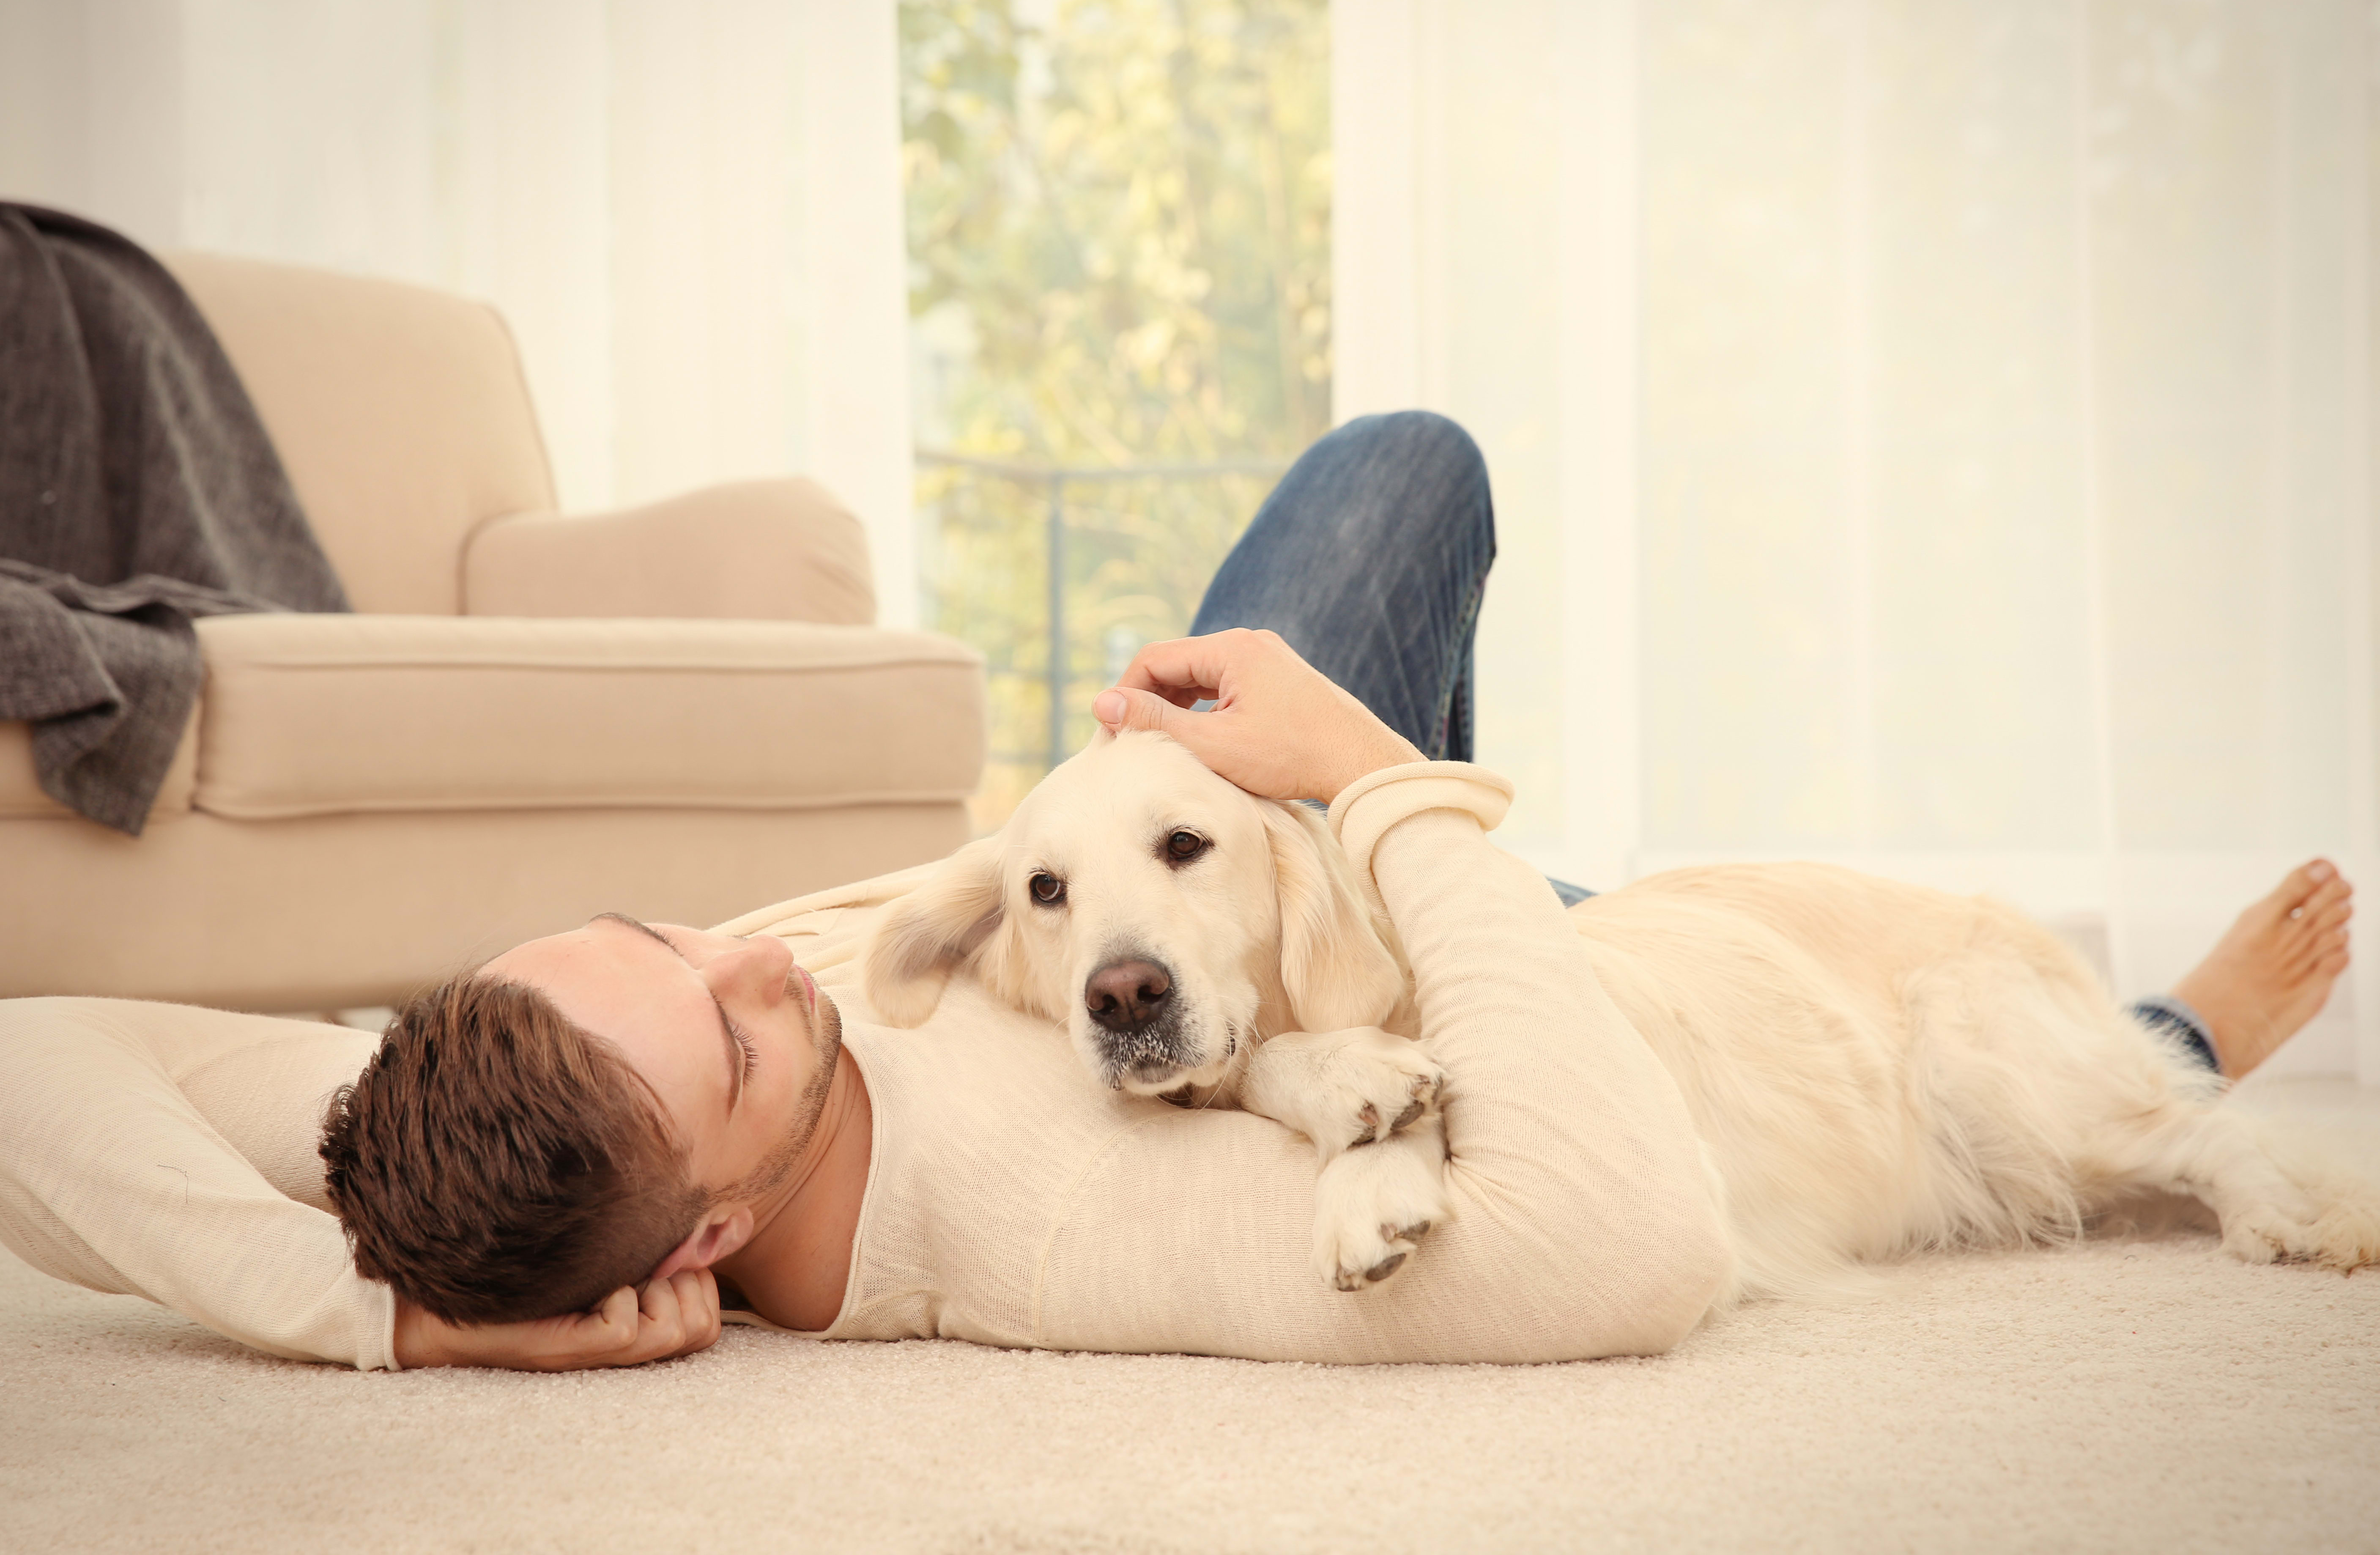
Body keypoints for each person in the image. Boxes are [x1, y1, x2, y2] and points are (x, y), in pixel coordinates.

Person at [0, 414, 2353, 1373]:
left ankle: (2023, 1021)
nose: (747, 950)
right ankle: (2150, 1059)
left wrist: (414, 1328)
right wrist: (1380, 786)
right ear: (706, 1246)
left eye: (667, 930)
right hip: (1403, 965)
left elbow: (34, 1058)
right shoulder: (1064, 1231)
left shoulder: (550, 1091)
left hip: (1159, 886)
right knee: (1898, 1068)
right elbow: (1625, 1245)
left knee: (1392, 483)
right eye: (727, 1024)